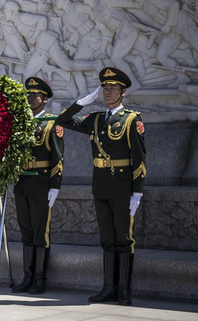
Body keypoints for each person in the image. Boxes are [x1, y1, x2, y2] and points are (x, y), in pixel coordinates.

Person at [55, 67, 146, 306]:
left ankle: (124, 290)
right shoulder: (94, 119)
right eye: (105, 88)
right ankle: (109, 288)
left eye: (113, 88)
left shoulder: (131, 119)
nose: (107, 92)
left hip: (123, 187)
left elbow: (139, 158)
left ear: (123, 92)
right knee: (107, 239)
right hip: (101, 185)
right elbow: (61, 121)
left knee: (124, 238)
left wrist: (137, 191)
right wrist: (81, 103)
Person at [12, 77, 64, 295]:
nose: (30, 99)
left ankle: (40, 278)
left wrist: (55, 186)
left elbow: (58, 158)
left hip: (42, 183)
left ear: (44, 99)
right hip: (22, 183)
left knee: (40, 233)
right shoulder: (20, 123)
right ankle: (27, 276)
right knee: (26, 232)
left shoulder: (52, 123)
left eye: (35, 95)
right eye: (28, 95)